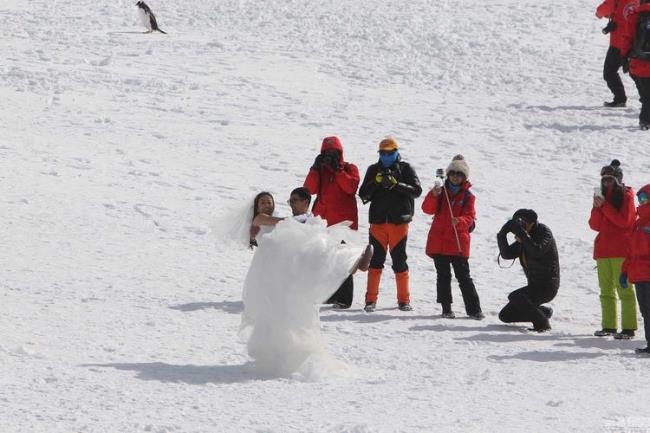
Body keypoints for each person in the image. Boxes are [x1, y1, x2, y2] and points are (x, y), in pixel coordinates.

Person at [242, 187, 372, 377]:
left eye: (269, 201)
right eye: (263, 202)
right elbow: (279, 225)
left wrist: (302, 223)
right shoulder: (260, 219)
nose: (267, 204)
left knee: (295, 305)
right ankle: (352, 263)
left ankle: (353, 262)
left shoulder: (287, 219)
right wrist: (298, 223)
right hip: (269, 270)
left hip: (283, 268)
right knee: (277, 312)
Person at [358, 137, 422, 312]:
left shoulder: (406, 168)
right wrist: (376, 183)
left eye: (390, 153)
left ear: (396, 152)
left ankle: (404, 300)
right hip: (378, 222)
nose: (386, 156)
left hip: (399, 222)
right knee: (375, 261)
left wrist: (396, 184)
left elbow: (416, 191)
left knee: (400, 261)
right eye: (383, 153)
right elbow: (363, 194)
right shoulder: (373, 170)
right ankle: (370, 300)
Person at [421, 155, 483, 320]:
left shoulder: (469, 197)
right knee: (443, 276)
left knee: (463, 277)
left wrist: (460, 221)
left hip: (457, 243)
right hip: (439, 242)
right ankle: (446, 308)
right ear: (448, 174)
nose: (455, 176)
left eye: (459, 174)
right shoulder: (440, 192)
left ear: (464, 177)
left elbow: (470, 217)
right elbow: (427, 209)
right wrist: (433, 195)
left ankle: (474, 310)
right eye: (453, 172)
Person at [304, 136, 360, 309]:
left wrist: (338, 171)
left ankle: (344, 299)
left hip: (344, 225)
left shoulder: (350, 168)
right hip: (323, 223)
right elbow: (309, 190)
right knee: (325, 260)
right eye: (327, 153)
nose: (330, 156)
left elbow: (351, 187)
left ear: (340, 153)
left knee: (344, 261)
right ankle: (329, 295)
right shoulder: (320, 171)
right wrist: (314, 168)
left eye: (334, 152)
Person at [589, 159, 637, 339]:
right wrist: (596, 208)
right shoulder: (602, 196)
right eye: (604, 179)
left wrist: (605, 207)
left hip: (621, 250)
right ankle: (609, 326)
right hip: (603, 251)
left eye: (610, 179)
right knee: (606, 291)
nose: (606, 182)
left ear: (617, 179)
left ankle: (628, 328)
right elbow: (595, 225)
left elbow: (625, 222)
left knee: (624, 289)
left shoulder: (627, 196)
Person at [497, 209, 560, 332]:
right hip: (534, 286)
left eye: (524, 222)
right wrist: (502, 234)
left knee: (515, 296)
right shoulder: (524, 238)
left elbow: (536, 251)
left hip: (547, 286)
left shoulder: (544, 232)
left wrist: (522, 234)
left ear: (533, 222)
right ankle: (542, 312)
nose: (522, 225)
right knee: (505, 315)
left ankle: (542, 323)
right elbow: (506, 254)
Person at [621, 184, 650, 354]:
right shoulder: (638, 223)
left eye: (645, 198)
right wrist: (625, 271)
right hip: (639, 274)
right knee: (646, 311)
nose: (642, 202)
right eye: (640, 199)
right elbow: (630, 251)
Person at [596, 0, 636, 107]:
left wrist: (604, 14)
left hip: (618, 43)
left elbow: (601, 11)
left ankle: (620, 99)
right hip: (636, 43)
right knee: (638, 73)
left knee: (609, 72)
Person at [620, 0, 650, 129]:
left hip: (638, 64)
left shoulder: (633, 16)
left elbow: (626, 39)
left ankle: (645, 121)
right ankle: (645, 121)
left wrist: (624, 58)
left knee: (645, 95)